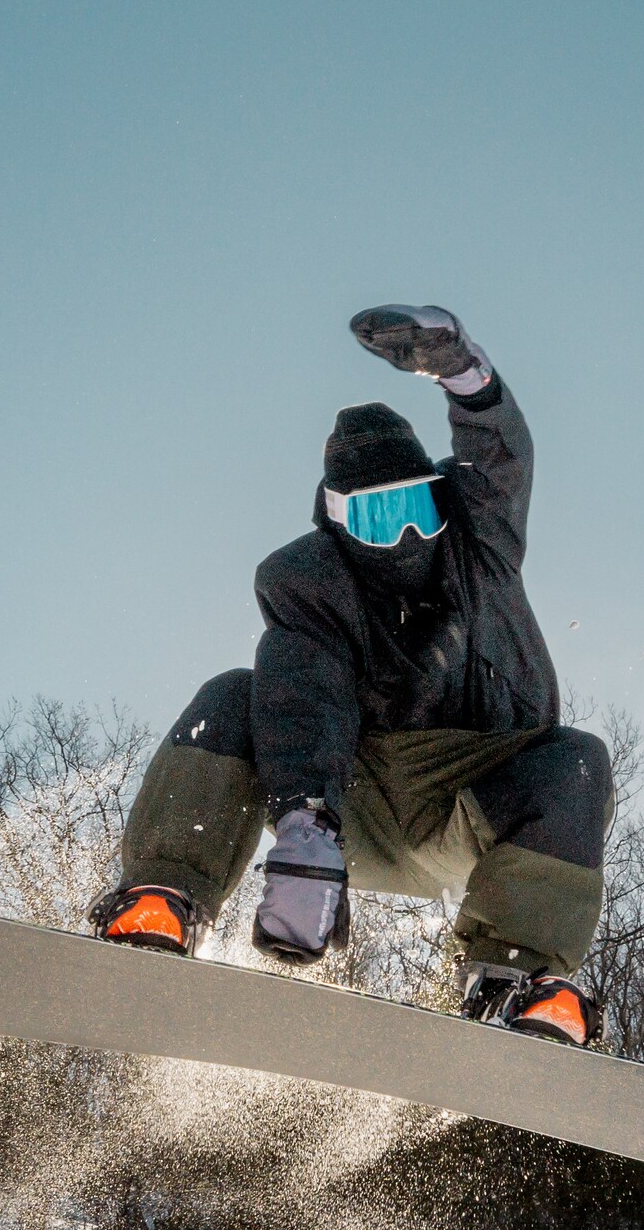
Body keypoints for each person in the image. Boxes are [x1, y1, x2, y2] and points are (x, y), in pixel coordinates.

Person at [85, 306, 611, 1044]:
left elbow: (500, 456)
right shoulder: (311, 586)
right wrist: (306, 822)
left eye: (416, 511)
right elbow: (306, 695)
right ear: (336, 522)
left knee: (578, 761)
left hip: (472, 798)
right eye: (374, 520)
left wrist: (463, 373)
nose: (402, 537)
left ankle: (514, 977)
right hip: (350, 803)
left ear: (440, 500)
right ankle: (165, 897)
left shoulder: (478, 541)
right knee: (234, 697)